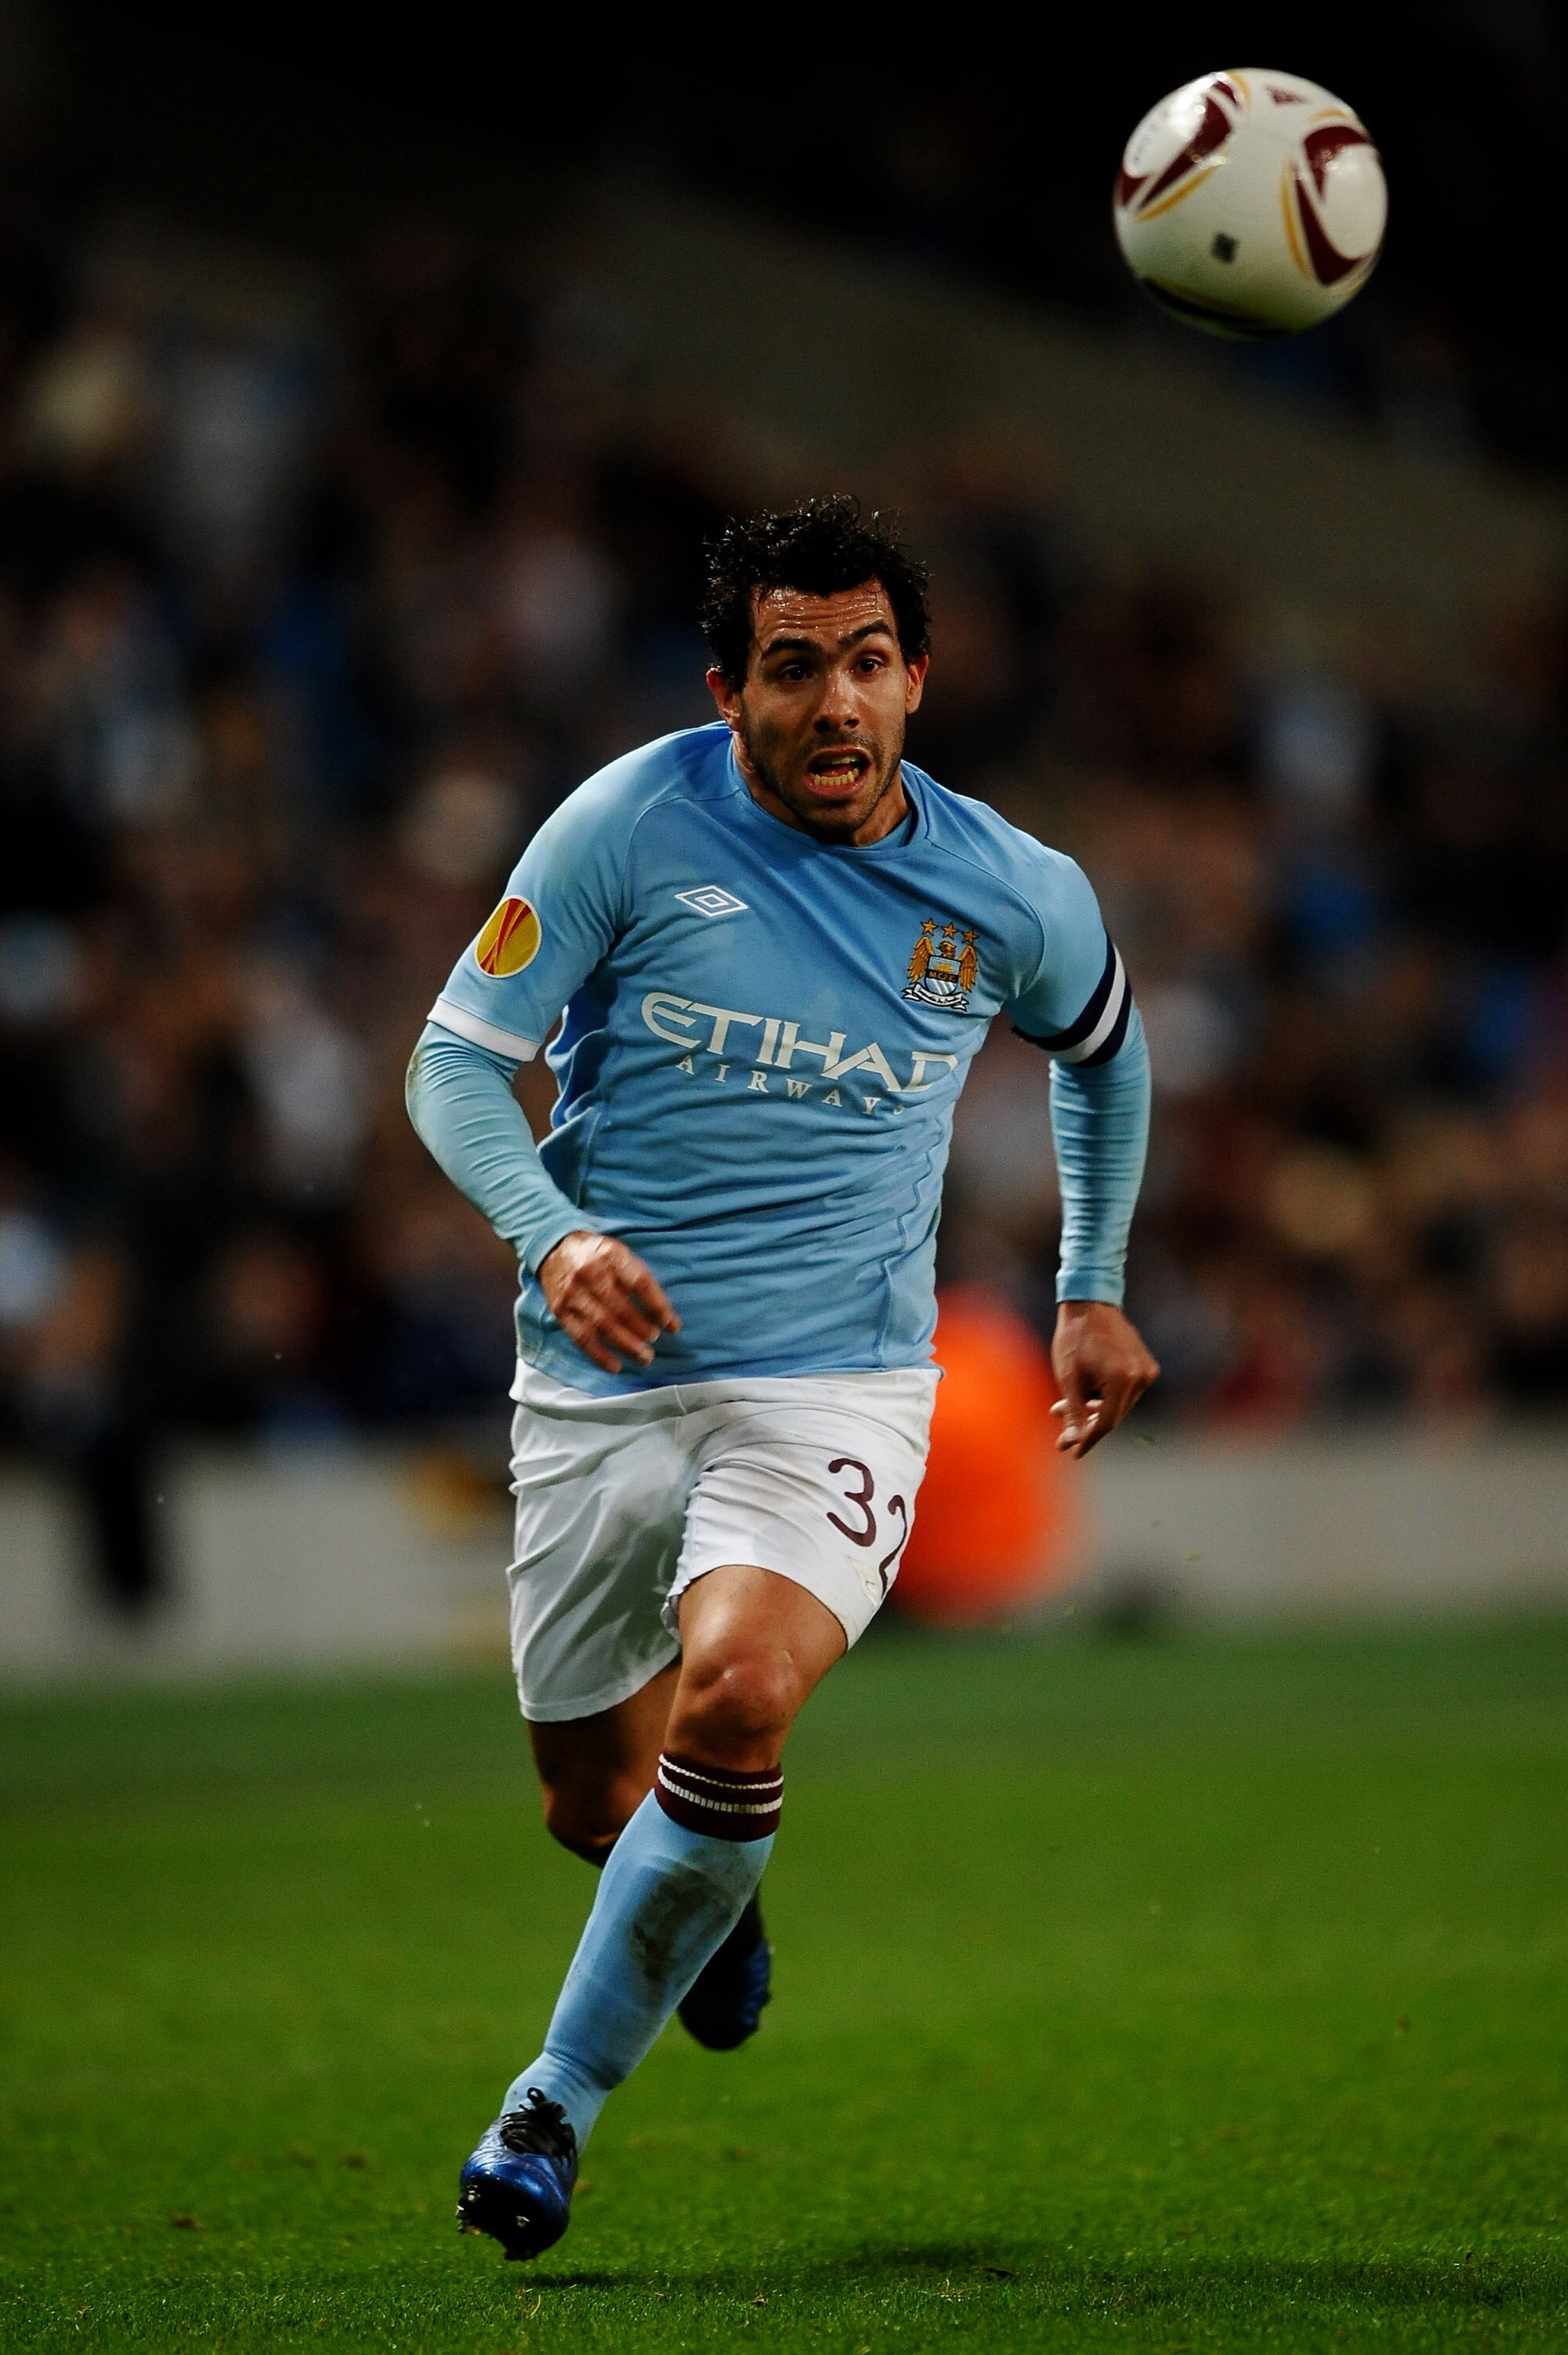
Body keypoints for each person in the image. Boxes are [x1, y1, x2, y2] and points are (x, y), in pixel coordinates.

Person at [407, 496, 1158, 2260]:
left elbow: (1106, 1058)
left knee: (738, 1700)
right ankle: (706, 1893)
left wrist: (1094, 1288)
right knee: (593, 1800)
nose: (838, 705)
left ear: (920, 680)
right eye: (796, 667)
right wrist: (556, 1235)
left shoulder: (1013, 889)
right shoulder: (625, 823)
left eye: (871, 665)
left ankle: (548, 2111)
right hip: (601, 1380)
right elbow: (455, 1066)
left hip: (834, 1386)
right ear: (729, 688)